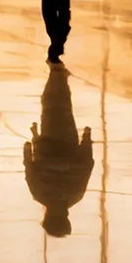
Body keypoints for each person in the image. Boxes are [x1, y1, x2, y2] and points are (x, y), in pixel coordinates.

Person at [23, 64, 94, 237]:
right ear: (47, 216)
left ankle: (59, 76)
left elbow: (86, 165)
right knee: (50, 108)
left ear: (66, 218)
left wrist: (86, 139)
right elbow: (30, 168)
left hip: (67, 141)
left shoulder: (76, 194)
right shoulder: (39, 194)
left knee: (63, 110)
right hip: (47, 143)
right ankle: (57, 73)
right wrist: (31, 144)